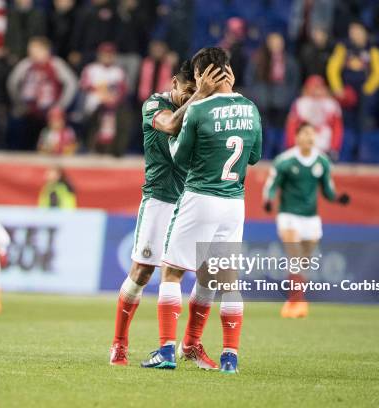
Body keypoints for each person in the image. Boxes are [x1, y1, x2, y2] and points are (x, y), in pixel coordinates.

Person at [141, 47, 262, 374]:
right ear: (229, 72)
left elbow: (179, 156)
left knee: (173, 272)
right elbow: (253, 157)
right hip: (235, 203)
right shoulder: (250, 109)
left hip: (200, 197)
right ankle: (230, 358)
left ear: (200, 76)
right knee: (227, 279)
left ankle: (166, 350)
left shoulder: (198, 109)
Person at [109, 60, 232, 368]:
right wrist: (199, 96)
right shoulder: (155, 103)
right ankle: (119, 345)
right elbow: (170, 125)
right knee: (142, 273)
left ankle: (190, 344)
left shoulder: (201, 108)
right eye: (187, 91)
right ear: (174, 85)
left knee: (208, 275)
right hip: (160, 200)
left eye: (197, 90)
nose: (193, 96)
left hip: (192, 200)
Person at [262, 123, 350, 318]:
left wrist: (337, 198)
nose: (309, 137)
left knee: (304, 261)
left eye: (312, 134)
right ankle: (295, 303)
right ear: (297, 137)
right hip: (289, 215)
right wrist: (268, 200)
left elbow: (328, 190)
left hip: (311, 218)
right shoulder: (285, 161)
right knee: (295, 256)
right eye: (305, 133)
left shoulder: (322, 162)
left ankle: (297, 300)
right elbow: (271, 185)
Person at [7, 36, 77, 150]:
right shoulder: (26, 64)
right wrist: (20, 104)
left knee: (49, 143)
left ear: (45, 50)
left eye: (34, 50)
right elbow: (12, 83)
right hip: (29, 111)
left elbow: (71, 84)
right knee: (19, 131)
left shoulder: (56, 64)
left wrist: (60, 106)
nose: (31, 53)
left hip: (49, 113)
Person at [327, 22, 379, 132]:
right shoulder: (343, 47)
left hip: (363, 90)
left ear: (365, 33)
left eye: (357, 31)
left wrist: (368, 88)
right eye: (352, 31)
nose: (354, 34)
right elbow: (332, 68)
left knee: (361, 121)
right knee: (343, 121)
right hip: (346, 90)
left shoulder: (372, 49)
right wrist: (337, 88)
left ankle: (360, 143)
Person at [285, 75, 343, 159]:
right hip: (302, 147)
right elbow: (291, 126)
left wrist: (334, 148)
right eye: (313, 87)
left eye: (319, 87)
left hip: (324, 147)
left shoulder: (332, 104)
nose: (316, 90)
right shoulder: (300, 104)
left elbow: (337, 128)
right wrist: (291, 146)